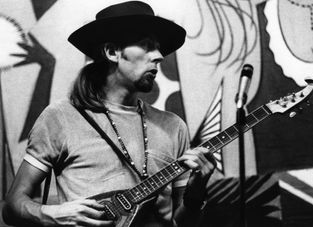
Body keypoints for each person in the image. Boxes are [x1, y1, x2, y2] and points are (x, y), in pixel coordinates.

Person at [2, 1, 216, 226]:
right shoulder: (61, 117)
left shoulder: (173, 126)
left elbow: (183, 224)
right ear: (112, 52)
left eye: (159, 47)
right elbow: (12, 206)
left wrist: (196, 193)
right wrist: (54, 215)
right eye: (147, 46)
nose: (159, 55)